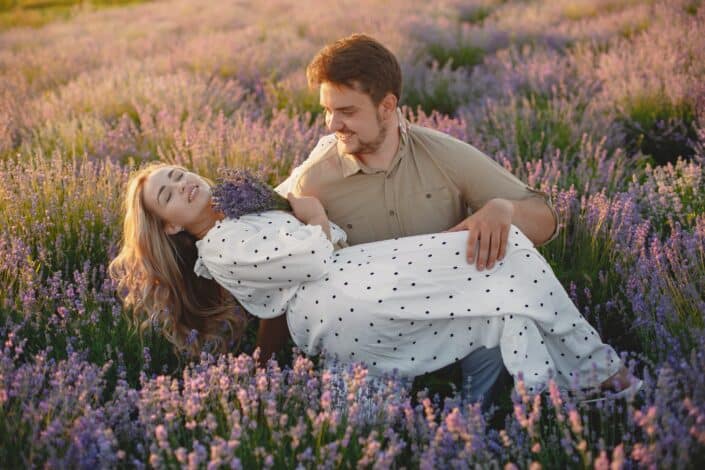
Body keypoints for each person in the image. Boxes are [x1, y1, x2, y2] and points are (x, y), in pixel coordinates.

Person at [109, 162, 640, 400]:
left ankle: (550, 393)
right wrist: (312, 214)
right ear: (172, 226)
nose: (181, 185)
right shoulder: (220, 247)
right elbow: (315, 254)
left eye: (178, 174)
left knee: (499, 287)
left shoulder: (236, 220)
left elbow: (320, 243)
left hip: (350, 280)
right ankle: (595, 374)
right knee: (502, 259)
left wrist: (307, 217)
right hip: (340, 296)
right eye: (168, 194)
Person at [269, 34, 559, 406]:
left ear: (387, 106)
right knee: (357, 437)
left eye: (347, 111)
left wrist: (504, 210)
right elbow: (285, 274)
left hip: (450, 313)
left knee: (509, 316)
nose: (331, 124)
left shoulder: (443, 154)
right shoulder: (315, 181)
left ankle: (480, 424)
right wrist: (264, 361)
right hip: (372, 333)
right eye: (327, 110)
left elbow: (545, 220)